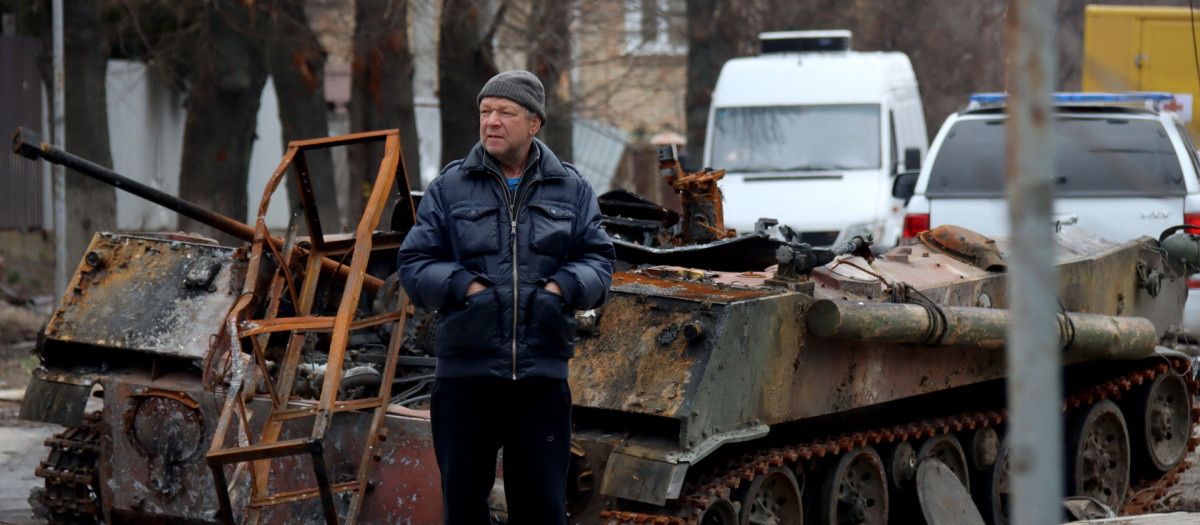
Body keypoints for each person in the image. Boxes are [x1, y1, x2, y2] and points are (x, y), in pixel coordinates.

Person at [397, 70, 615, 525]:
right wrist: (465, 287)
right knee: (464, 510)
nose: (491, 122)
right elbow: (414, 263)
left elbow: (598, 261)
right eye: (485, 112)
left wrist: (562, 288)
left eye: (505, 112)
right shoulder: (450, 187)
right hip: (465, 380)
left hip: (540, 380)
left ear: (534, 123)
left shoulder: (572, 189)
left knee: (542, 511)